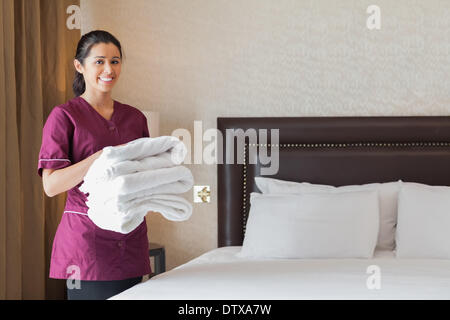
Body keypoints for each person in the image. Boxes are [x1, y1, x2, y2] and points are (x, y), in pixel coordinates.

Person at [37, 30, 151, 300]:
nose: (108, 69)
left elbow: (145, 175)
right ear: (80, 66)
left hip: (131, 240)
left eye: (115, 61)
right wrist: (101, 157)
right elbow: (51, 185)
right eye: (99, 61)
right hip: (87, 247)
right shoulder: (64, 116)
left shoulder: (135, 117)